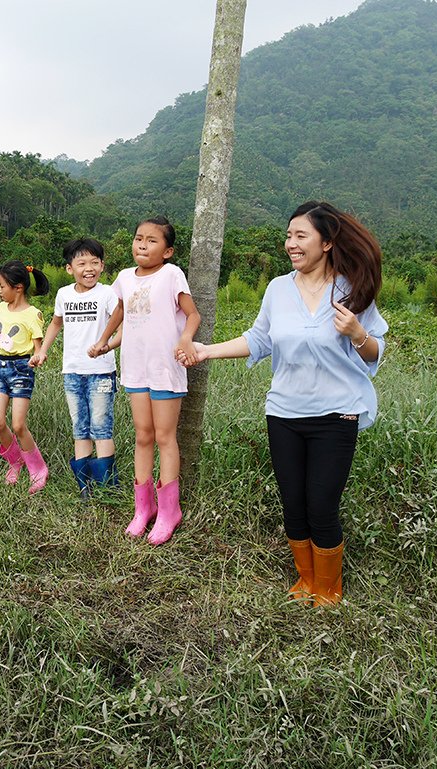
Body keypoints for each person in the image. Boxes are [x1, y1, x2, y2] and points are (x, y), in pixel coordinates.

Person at [177, 201, 388, 605]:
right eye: (289, 235)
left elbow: (375, 350)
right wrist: (206, 351)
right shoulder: (277, 288)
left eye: (300, 236)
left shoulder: (350, 289)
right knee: (293, 502)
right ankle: (305, 580)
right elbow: (259, 340)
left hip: (336, 413)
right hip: (285, 413)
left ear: (326, 243)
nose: (290, 243)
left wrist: (358, 332)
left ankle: (329, 590)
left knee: (322, 503)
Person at [89, 217, 201, 545]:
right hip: (135, 366)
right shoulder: (124, 277)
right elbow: (119, 313)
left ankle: (169, 511)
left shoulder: (171, 275)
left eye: (152, 241)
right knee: (143, 436)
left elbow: (192, 314)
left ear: (168, 251)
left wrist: (186, 340)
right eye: (139, 238)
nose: (142, 245)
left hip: (165, 367)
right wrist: (103, 342)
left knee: (165, 437)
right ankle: (143, 509)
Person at [31, 238, 121, 498]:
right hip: (72, 372)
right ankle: (85, 486)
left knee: (101, 428)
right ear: (70, 268)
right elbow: (56, 324)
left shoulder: (107, 295)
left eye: (94, 262)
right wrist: (42, 350)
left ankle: (107, 486)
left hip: (101, 372)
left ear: (102, 266)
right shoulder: (64, 294)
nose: (89, 268)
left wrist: (107, 346)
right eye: (82, 263)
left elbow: (121, 326)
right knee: (80, 428)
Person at [0, 260, 50, 494]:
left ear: (18, 287)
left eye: (1, 286)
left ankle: (38, 469)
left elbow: (39, 347)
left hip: (21, 369)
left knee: (19, 425)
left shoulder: (33, 314)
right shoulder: (0, 310)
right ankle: (14, 461)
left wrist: (39, 357)